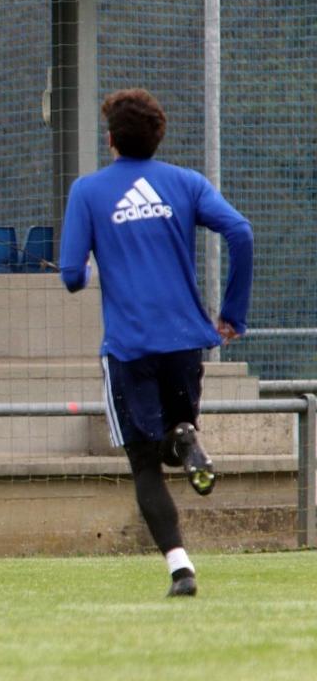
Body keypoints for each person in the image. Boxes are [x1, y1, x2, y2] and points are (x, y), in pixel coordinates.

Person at [59, 88, 253, 598]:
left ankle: (181, 569)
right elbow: (241, 232)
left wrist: (82, 267)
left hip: (129, 347)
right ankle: (187, 438)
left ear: (110, 141)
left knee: (146, 463)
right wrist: (232, 313)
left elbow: (71, 278)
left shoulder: (88, 191)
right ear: (158, 135)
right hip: (187, 342)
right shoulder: (185, 183)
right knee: (173, 437)